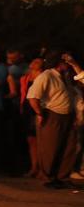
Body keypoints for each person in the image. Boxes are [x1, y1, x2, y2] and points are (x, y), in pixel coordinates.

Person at [26, 56, 82, 188]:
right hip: (52, 114)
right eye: (65, 62)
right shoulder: (47, 75)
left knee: (68, 147)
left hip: (67, 115)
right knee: (50, 147)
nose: (68, 65)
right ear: (59, 63)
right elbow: (33, 96)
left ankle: (62, 176)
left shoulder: (65, 77)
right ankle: (48, 177)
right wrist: (39, 113)